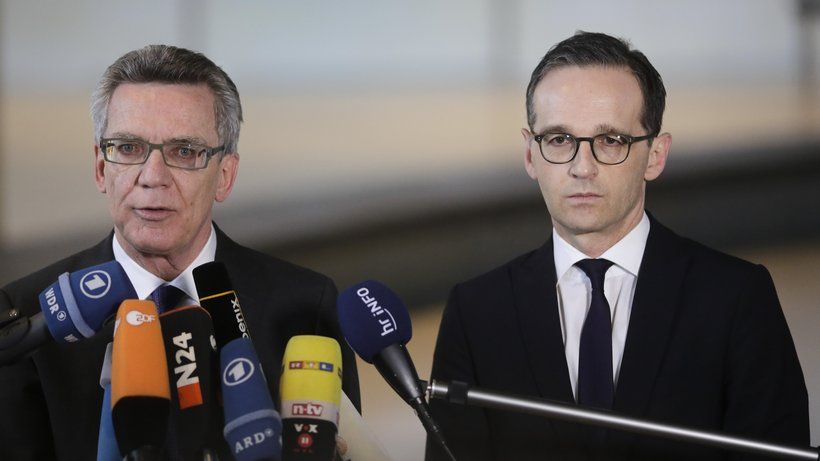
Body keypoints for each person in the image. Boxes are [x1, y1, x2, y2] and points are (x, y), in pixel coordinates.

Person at [427, 31, 809, 460]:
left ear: (656, 155)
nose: (582, 167)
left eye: (610, 141)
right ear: (530, 155)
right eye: (559, 139)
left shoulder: (736, 297)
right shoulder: (476, 311)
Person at [0, 45, 360, 460]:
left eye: (184, 152)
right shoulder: (29, 320)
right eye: (128, 148)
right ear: (101, 168)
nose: (153, 177)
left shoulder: (304, 307)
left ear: (225, 176)